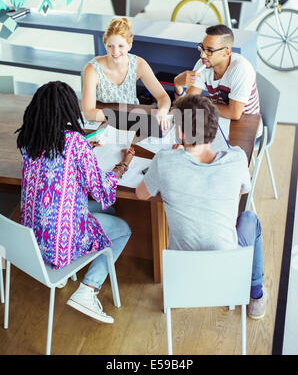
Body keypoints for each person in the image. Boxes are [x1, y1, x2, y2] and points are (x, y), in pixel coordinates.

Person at [136, 94, 267, 319]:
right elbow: (243, 189)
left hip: (182, 273)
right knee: (249, 220)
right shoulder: (236, 159)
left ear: (182, 133)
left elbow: (141, 193)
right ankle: (255, 295)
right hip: (227, 272)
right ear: (214, 129)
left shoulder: (165, 160)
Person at [16, 81, 134, 324]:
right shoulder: (74, 143)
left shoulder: (29, 139)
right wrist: (123, 166)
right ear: (70, 110)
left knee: (107, 211)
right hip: (58, 242)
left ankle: (61, 274)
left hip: (30, 241)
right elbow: (101, 190)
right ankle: (88, 290)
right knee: (122, 229)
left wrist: (84, 150)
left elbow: (54, 161)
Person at [82, 16, 171, 130]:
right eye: (110, 46)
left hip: (132, 120)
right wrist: (120, 117)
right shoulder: (91, 69)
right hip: (103, 121)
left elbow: (163, 97)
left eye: (121, 46)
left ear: (130, 45)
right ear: (105, 44)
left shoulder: (139, 64)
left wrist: (162, 111)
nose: (115, 51)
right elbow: (88, 112)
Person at [173, 24, 260, 120]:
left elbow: (234, 113)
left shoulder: (241, 69)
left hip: (247, 123)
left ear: (226, 52)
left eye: (210, 50)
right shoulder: (203, 64)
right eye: (202, 48)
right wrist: (177, 85)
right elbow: (187, 105)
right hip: (219, 118)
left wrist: (200, 104)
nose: (202, 55)